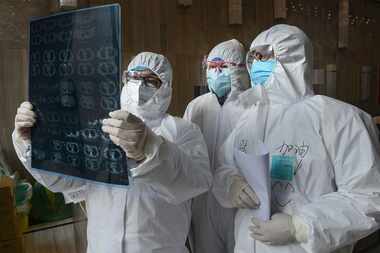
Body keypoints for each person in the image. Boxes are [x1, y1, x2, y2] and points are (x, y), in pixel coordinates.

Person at [13, 52, 212, 253]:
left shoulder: (183, 131)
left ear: (167, 87)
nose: (139, 85)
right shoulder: (98, 127)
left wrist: (148, 147)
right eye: (133, 78)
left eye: (150, 80)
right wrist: (33, 143)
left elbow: (196, 182)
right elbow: (63, 181)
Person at [213, 24, 380, 253]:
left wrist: (301, 226)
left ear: (291, 57)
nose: (257, 64)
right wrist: (231, 185)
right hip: (246, 242)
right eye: (254, 57)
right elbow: (224, 166)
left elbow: (368, 196)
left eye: (265, 56)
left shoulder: (338, 119)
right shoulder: (249, 119)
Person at [183, 39, 256, 253]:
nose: (216, 73)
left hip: (240, 201)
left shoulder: (254, 106)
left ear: (241, 69)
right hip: (202, 202)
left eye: (223, 67)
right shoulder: (197, 107)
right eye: (212, 67)